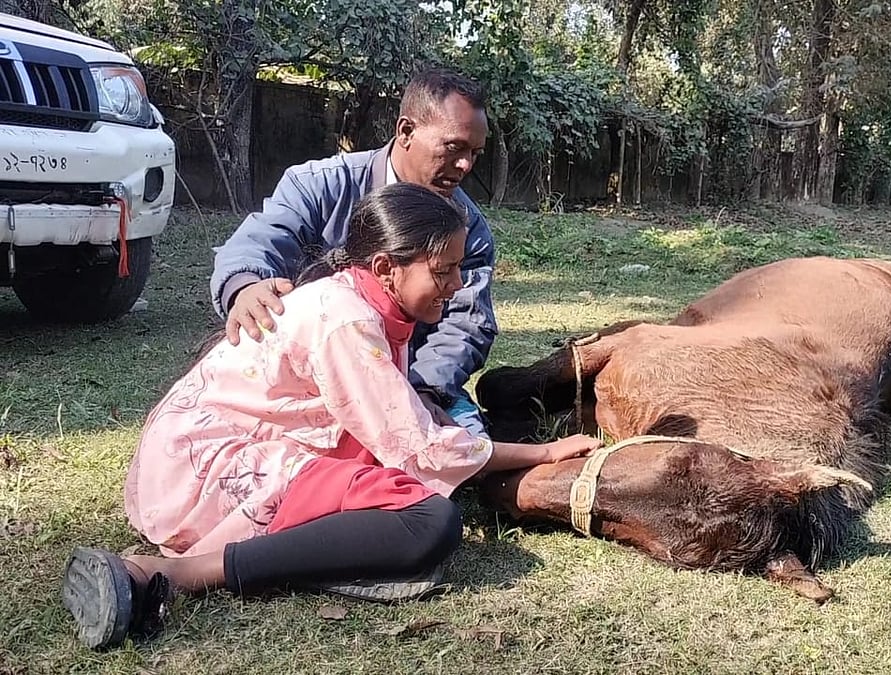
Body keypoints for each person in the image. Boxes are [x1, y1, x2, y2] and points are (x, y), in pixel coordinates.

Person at [61, 182, 602, 651]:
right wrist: (544, 451)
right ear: (387, 268)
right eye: (444, 270)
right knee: (430, 522)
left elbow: (395, 416)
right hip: (209, 466)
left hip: (211, 450)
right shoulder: (345, 319)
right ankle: (171, 573)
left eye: (459, 267)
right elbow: (417, 447)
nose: (458, 285)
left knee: (407, 499)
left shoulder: (369, 303)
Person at [210, 67, 495, 437]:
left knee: (463, 449)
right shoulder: (318, 186)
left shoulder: (469, 228)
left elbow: (465, 324)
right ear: (406, 132)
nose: (465, 166)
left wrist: (424, 391)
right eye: (454, 147)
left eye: (475, 153)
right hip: (308, 383)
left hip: (406, 378)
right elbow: (260, 241)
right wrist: (245, 286)